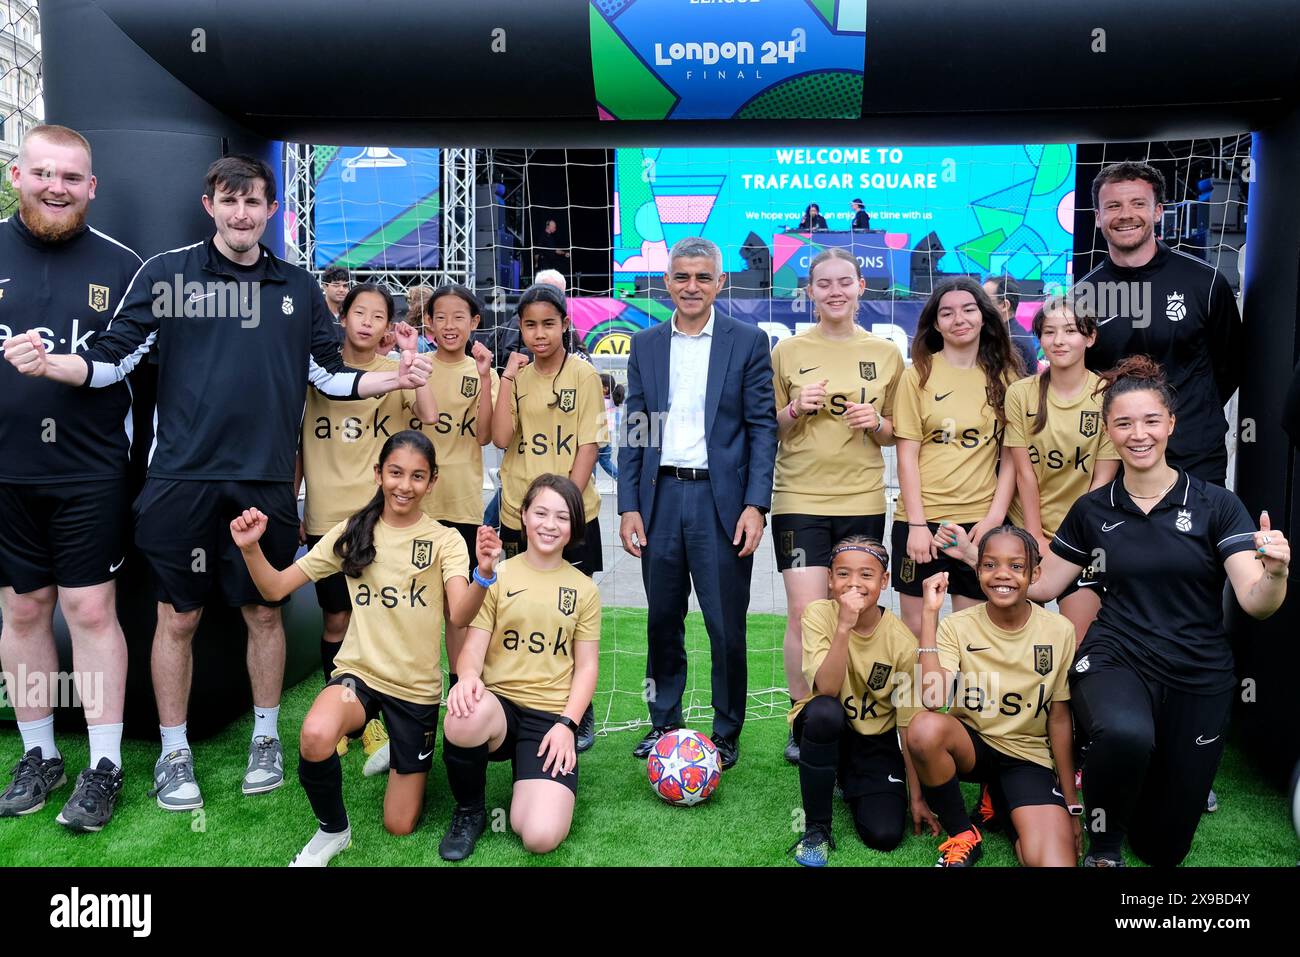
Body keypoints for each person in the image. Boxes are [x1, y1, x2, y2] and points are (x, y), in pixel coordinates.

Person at [3, 154, 433, 812]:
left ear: (270, 211)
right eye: (229, 200)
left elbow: (329, 375)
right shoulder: (167, 275)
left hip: (262, 482)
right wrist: (49, 365)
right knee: (178, 616)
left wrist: (395, 379)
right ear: (210, 205)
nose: (240, 213)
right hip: (179, 480)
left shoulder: (295, 287)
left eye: (253, 202)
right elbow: (111, 361)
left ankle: (265, 736)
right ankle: (173, 751)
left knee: (264, 610)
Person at [938, 357, 1289, 866]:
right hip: (1117, 657)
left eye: (1150, 421)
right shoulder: (1094, 510)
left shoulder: (1216, 504)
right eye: (1124, 423)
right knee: (1124, 732)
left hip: (1198, 671)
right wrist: (979, 559)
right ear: (1108, 431)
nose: (1138, 434)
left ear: (1171, 423)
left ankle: (1137, 798)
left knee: (1163, 849)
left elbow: (1256, 602)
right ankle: (1103, 848)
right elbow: (1046, 585)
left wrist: (1275, 572)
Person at [231, 430, 500, 866]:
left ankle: (400, 747)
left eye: (417, 476)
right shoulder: (353, 530)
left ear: (432, 482)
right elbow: (276, 586)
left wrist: (484, 574)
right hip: (359, 677)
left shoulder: (446, 539)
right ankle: (333, 832)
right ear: (378, 474)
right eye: (395, 473)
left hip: (416, 691)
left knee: (399, 824)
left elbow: (460, 615)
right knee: (316, 734)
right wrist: (250, 549)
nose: (404, 485)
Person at [0, 125, 142, 832]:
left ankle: (105, 762)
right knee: (23, 611)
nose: (56, 187)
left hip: (90, 472)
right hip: (6, 472)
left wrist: (56, 363)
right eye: (44, 173)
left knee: (89, 611)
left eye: (72, 178)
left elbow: (130, 364)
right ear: (18, 173)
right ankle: (39, 753)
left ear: (92, 188)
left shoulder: (123, 266)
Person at [619, 236, 777, 770]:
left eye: (702, 277)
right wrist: (628, 505)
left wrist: (756, 505)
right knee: (663, 618)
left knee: (725, 623)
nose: (691, 287)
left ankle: (727, 729)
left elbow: (762, 429)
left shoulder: (749, 341)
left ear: (720, 283)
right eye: (682, 277)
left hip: (722, 505)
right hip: (660, 499)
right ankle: (664, 721)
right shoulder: (644, 345)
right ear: (667, 282)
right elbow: (636, 427)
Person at [770, 247, 904, 764]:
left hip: (863, 497)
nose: (835, 291)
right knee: (807, 612)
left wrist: (877, 423)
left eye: (844, 282)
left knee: (859, 611)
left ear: (861, 287)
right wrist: (792, 410)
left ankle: (860, 712)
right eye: (823, 283)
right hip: (799, 497)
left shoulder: (888, 353)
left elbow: (897, 434)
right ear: (810, 291)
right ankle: (803, 715)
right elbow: (771, 426)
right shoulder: (787, 351)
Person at [297, 283, 436, 775]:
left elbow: (432, 417)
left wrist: (411, 357)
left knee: (371, 622)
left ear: (386, 325)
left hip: (376, 523)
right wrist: (292, 503)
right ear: (343, 316)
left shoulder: (392, 373)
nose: (367, 322)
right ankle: (338, 709)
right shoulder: (317, 370)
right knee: (336, 620)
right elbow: (296, 443)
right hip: (323, 518)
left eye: (379, 316)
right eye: (359, 312)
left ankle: (370, 716)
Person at [438, 474, 599, 861]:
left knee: (539, 836)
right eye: (540, 512)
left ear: (574, 527)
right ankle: (470, 811)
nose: (549, 524)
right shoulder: (497, 576)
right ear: (523, 516)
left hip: (548, 719)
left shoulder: (584, 590)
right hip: (500, 708)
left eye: (562, 517)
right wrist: (469, 678)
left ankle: (528, 781)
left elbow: (587, 667)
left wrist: (567, 726)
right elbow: (473, 647)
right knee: (463, 715)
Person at [908, 528, 1082, 867]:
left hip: (1027, 758)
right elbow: (932, 697)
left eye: (1016, 566)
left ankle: (999, 800)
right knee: (925, 728)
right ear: (977, 572)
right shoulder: (956, 626)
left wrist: (1071, 802)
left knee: (1053, 863)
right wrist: (930, 614)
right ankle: (962, 833)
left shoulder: (1059, 630)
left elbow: (1060, 717)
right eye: (990, 564)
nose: (1002, 574)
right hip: (974, 748)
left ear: (1035, 573)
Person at [1081, 160, 1242, 485]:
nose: (1126, 214)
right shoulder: (1083, 296)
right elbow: (1085, 381)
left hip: (1195, 459)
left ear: (1157, 211)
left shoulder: (1205, 282)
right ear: (1098, 217)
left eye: (1138, 203)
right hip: (1118, 462)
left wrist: (1189, 415)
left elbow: (1231, 367)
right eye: (1113, 205)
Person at [493, 282, 602, 750]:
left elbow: (589, 445)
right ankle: (518, 701)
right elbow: (499, 438)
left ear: (565, 326)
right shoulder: (514, 375)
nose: (540, 334)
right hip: (519, 513)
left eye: (549, 324)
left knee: (571, 612)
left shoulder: (584, 376)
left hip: (574, 516)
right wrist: (505, 380)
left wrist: (565, 513)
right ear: (520, 327)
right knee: (521, 608)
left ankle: (580, 710)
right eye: (531, 325)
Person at [787, 537, 937, 866]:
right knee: (825, 712)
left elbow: (907, 723)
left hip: (874, 742)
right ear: (829, 579)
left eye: (866, 575)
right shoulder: (817, 614)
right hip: (826, 726)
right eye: (843, 574)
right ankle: (816, 828)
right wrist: (844, 627)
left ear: (884, 581)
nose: (854, 583)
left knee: (883, 835)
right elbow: (826, 689)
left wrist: (916, 796)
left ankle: (848, 778)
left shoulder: (901, 641)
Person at [891, 277, 1021, 638]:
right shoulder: (917, 373)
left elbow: (1011, 456)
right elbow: (907, 456)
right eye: (946, 312)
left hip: (978, 521)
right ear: (935, 323)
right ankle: (923, 698)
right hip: (921, 522)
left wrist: (995, 516)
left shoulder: (1006, 376)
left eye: (968, 309)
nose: (958, 319)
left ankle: (970, 698)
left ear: (984, 316)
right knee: (918, 630)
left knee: (975, 634)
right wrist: (917, 525)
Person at [1005, 295, 1120, 643]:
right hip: (1029, 529)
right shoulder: (1021, 393)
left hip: (1082, 535)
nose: (1059, 340)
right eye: (1049, 331)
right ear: (1039, 339)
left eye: (1070, 331)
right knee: (1022, 641)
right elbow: (1023, 474)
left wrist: (1072, 540)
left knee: (1078, 641)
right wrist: (1034, 535)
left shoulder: (1107, 395)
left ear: (1090, 337)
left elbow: (1102, 481)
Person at [423, 284, 499, 696]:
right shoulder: (415, 368)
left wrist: (486, 376)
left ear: (474, 323)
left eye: (459, 317)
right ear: (428, 323)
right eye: (441, 317)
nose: (449, 325)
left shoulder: (484, 371)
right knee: (417, 605)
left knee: (458, 611)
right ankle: (413, 690)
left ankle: (459, 688)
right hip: (415, 509)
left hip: (464, 508)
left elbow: (487, 435)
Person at [983, 274, 1039, 375]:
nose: (979, 305)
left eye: (985, 300)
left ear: (1005, 305)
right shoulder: (1002, 333)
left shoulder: (1013, 341)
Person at [596, 373, 619, 480]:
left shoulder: (602, 402)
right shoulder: (612, 401)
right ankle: (619, 477)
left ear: (605, 389)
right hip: (608, 435)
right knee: (604, 461)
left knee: (590, 460)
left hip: (601, 435)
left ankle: (591, 483)